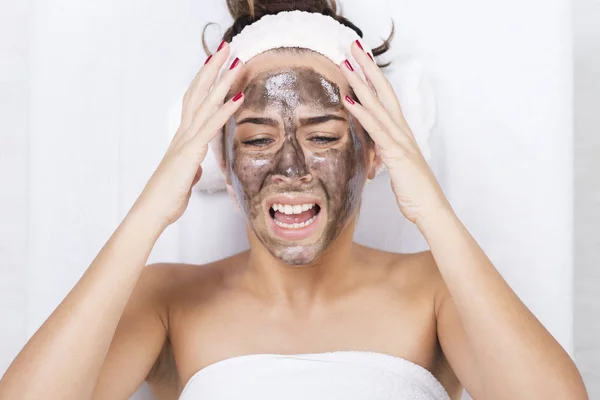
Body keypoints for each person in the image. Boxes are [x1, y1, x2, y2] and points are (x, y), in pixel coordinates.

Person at [0, 1, 588, 399]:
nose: (290, 166)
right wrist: (155, 202)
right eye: (257, 139)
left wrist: (428, 204)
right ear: (220, 161)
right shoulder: (169, 301)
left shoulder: (438, 294)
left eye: (325, 136)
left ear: (373, 151)